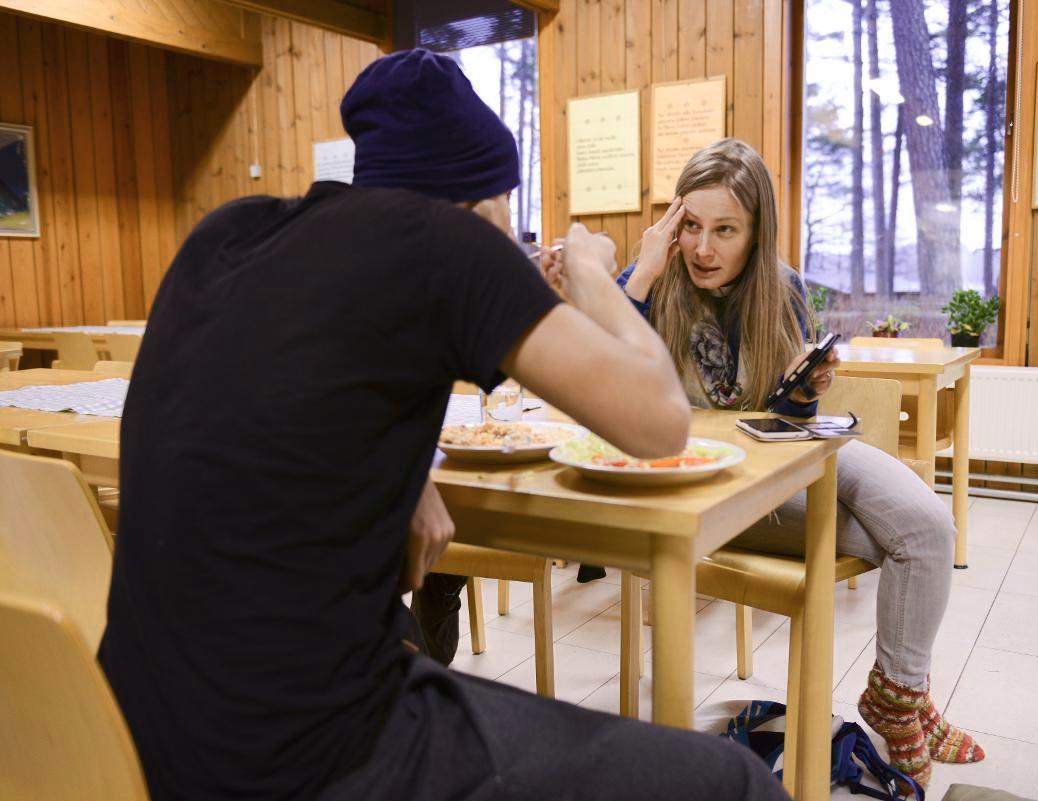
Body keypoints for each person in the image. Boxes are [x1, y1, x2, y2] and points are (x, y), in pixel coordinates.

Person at [99, 51, 790, 801]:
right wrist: (594, 268)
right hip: (299, 757)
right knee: (734, 781)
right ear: (483, 198)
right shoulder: (446, 243)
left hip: (127, 729)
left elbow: (295, 395)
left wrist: (409, 472)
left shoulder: (227, 231)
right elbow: (660, 423)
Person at [579, 137, 986, 790]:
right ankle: (911, 704)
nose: (703, 248)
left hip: (785, 453)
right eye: (690, 226)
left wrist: (804, 391)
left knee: (930, 526)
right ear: (670, 224)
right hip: (716, 491)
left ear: (756, 232)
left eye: (725, 230)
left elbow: (776, 421)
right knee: (901, 542)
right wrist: (647, 271)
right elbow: (597, 375)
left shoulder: (784, 289)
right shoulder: (650, 286)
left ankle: (899, 697)